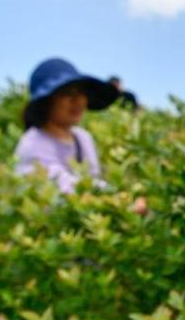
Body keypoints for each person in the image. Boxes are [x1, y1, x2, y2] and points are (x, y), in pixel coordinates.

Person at [15, 58, 147, 213]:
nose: (77, 101)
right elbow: (65, 188)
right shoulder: (34, 143)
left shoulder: (82, 138)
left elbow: (92, 181)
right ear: (46, 101)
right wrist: (122, 202)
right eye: (67, 94)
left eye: (81, 93)